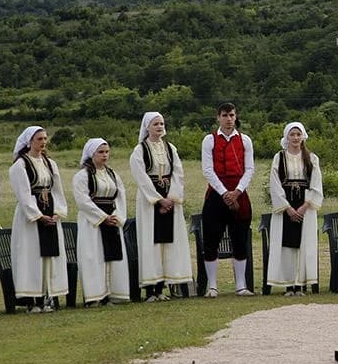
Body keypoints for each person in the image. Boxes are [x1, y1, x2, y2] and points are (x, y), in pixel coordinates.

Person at [128, 111, 193, 301]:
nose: (159, 127)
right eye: (155, 124)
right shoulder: (139, 150)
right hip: (150, 203)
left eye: (162, 124)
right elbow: (141, 177)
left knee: (168, 244)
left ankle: (162, 287)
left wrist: (171, 198)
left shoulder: (170, 148)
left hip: (170, 200)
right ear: (147, 127)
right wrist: (158, 200)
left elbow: (178, 173)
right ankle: (151, 290)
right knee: (152, 244)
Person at [8, 126, 70, 312]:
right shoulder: (20, 165)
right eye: (39, 139)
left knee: (49, 257)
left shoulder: (50, 163)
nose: (43, 142)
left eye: (44, 138)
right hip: (30, 218)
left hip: (50, 211)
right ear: (29, 142)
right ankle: (31, 300)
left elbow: (57, 190)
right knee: (31, 256)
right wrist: (38, 216)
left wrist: (57, 211)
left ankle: (46, 297)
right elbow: (23, 194)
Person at [200, 102, 255, 297]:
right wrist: (225, 193)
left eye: (231, 115)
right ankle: (212, 286)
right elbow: (207, 170)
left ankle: (240, 285)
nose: (229, 119)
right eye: (225, 115)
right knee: (211, 240)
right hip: (216, 194)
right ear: (218, 117)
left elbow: (250, 169)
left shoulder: (245, 140)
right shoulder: (210, 140)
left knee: (240, 239)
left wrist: (237, 191)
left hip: (240, 193)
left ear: (235, 116)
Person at [267, 121, 323, 296]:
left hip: (305, 206)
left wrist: (305, 206)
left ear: (303, 136)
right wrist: (287, 208)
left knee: (303, 244)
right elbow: (275, 183)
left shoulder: (311, 158)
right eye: (292, 134)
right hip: (286, 205)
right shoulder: (279, 157)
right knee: (287, 246)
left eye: (298, 134)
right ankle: (289, 284)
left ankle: (301, 284)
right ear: (287, 137)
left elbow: (316, 184)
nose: (296, 137)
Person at [72, 138, 130, 306]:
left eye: (107, 152)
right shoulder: (82, 176)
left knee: (113, 256)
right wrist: (103, 218)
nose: (105, 155)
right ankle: (95, 296)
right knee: (94, 256)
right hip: (92, 223)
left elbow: (120, 196)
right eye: (101, 152)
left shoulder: (112, 174)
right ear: (92, 154)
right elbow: (82, 201)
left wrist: (117, 216)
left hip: (112, 219)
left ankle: (113, 293)